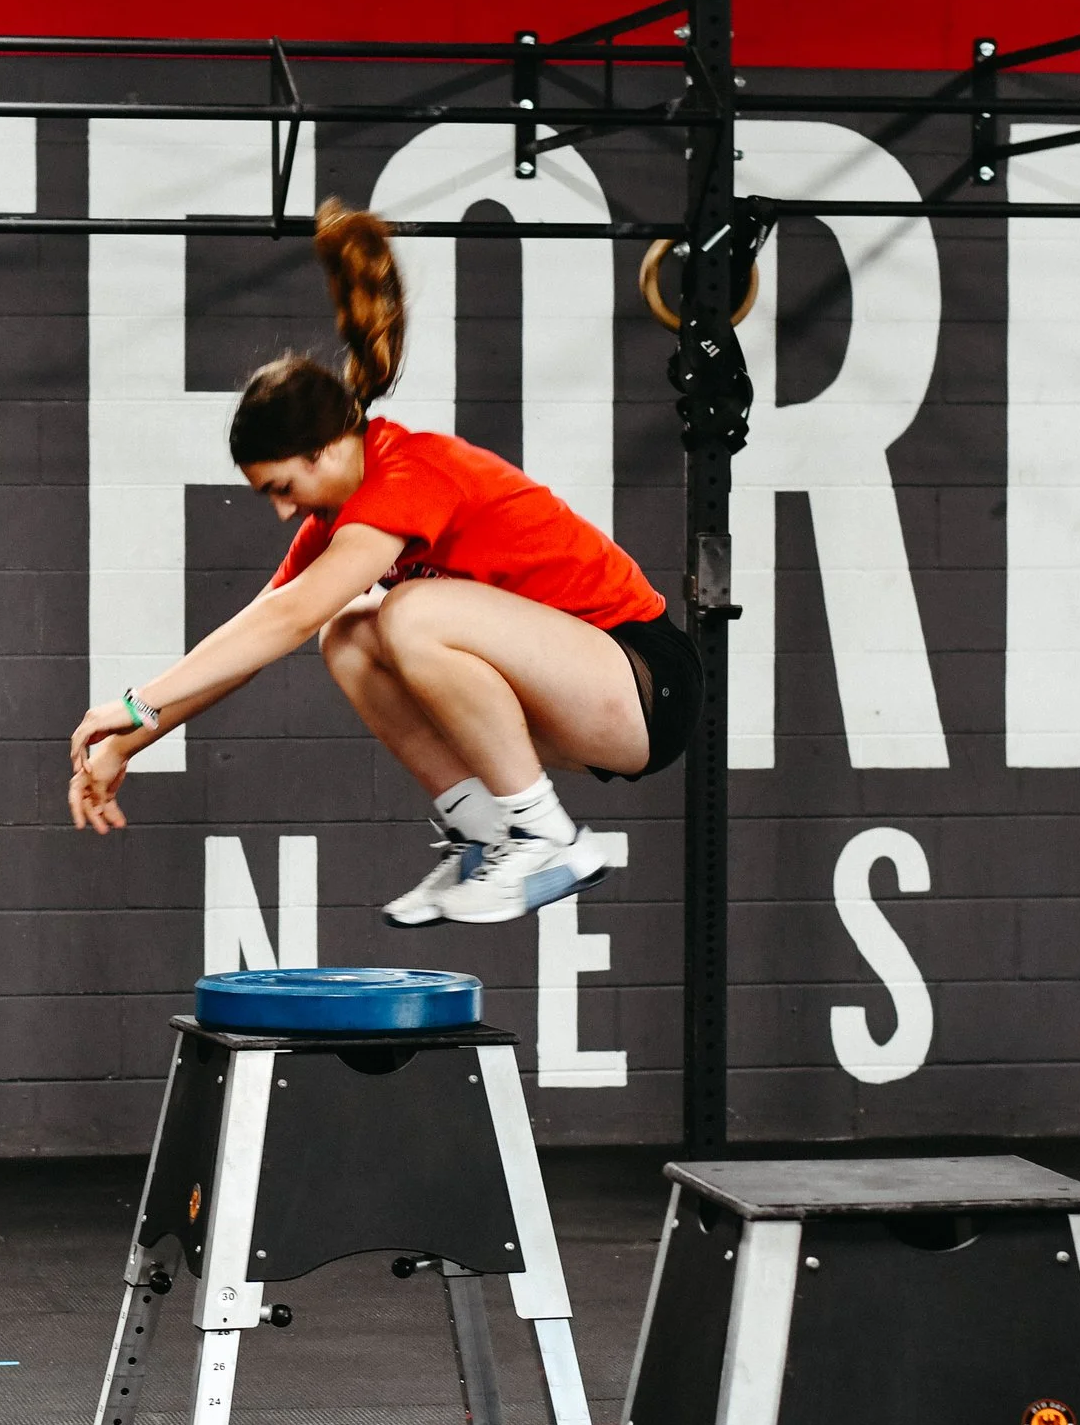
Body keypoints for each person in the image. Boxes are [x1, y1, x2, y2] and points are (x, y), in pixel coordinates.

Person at [65, 198, 703, 927]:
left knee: (406, 612)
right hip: (577, 700)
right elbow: (256, 640)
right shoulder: (342, 519)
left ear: (330, 448)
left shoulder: (408, 472)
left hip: (645, 680)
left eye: (282, 488)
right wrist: (129, 741)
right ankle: (484, 835)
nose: (281, 511)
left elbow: (290, 611)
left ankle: (545, 836)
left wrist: (135, 700)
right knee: (349, 632)